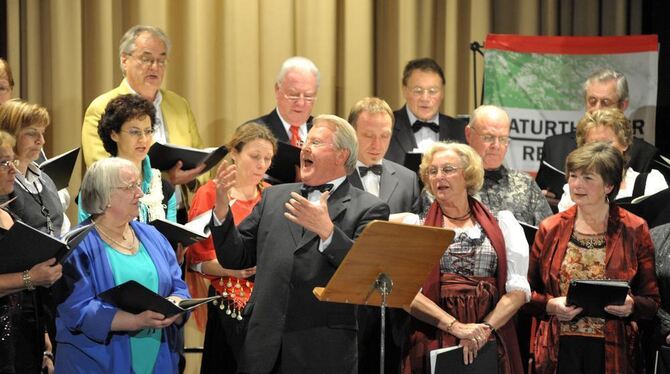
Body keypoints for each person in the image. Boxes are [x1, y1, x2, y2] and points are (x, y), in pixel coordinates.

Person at [211, 114, 390, 373]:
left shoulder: (369, 208)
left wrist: (327, 232)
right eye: (306, 141)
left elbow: (366, 274)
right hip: (262, 348)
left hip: (322, 351)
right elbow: (235, 258)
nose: (305, 147)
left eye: (315, 143)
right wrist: (221, 210)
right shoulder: (274, 196)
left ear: (342, 155)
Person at [526, 142, 660, 373]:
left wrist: (631, 305)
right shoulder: (551, 228)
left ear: (609, 185)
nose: (577, 184)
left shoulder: (634, 228)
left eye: (588, 177)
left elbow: (651, 301)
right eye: (574, 176)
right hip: (559, 349)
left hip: (612, 350)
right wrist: (549, 305)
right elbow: (527, 294)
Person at [400, 142, 529, 374]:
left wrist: (483, 330)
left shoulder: (502, 224)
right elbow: (407, 295)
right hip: (435, 334)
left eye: (448, 169)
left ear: (467, 174)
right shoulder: (416, 227)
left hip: (491, 333)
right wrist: (457, 328)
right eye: (433, 171)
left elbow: (518, 291)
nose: (439, 177)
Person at [54, 157, 189, 373]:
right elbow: (76, 308)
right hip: (96, 362)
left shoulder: (152, 235)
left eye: (138, 184)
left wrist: (175, 303)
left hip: (158, 357)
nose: (140, 193)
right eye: (130, 187)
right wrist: (135, 321)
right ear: (105, 196)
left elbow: (178, 284)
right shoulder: (75, 245)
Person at [185, 122, 276, 373]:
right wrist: (232, 270)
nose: (262, 164)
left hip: (266, 304)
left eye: (268, 158)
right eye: (255, 156)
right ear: (234, 153)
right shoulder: (210, 193)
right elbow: (195, 260)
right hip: (228, 303)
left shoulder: (270, 194)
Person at [346, 96, 420, 373]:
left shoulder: (407, 178)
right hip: (348, 296)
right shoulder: (335, 175)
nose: (377, 144)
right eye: (368, 135)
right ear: (352, 132)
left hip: (392, 298)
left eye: (384, 135)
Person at [81, 25, 205, 189]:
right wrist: (166, 178)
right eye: (147, 59)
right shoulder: (102, 107)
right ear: (124, 60)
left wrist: (192, 177)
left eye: (161, 60)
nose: (155, 67)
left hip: (181, 209)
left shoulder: (179, 105)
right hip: (130, 208)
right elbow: (103, 172)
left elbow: (201, 159)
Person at [536, 68, 659, 203]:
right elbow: (541, 191)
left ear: (623, 105)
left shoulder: (644, 155)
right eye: (592, 101)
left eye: (605, 102)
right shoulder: (554, 145)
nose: (597, 108)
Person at [0, 130, 62, 374]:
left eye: (12, 161)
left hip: (25, 330)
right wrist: (31, 278)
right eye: (4, 162)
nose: (13, 170)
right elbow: (26, 276)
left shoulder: (8, 213)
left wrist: (44, 335)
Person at [78, 94, 177, 223]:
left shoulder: (164, 188)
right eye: (135, 132)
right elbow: (86, 237)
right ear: (114, 134)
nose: (143, 139)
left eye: (148, 131)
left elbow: (170, 240)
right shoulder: (97, 185)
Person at [557, 108, 667, 211]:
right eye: (593, 144)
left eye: (607, 143)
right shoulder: (574, 189)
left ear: (625, 143)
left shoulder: (651, 183)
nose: (601, 150)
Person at [466, 105, 552, 225]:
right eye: (488, 137)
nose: (496, 145)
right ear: (469, 134)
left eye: (502, 139)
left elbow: (548, 234)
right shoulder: (453, 181)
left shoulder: (525, 184)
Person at [385, 58, 466, 165]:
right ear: (404, 90)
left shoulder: (460, 130)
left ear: (442, 93)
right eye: (418, 91)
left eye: (432, 91)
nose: (425, 98)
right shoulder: (387, 126)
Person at [246, 56, 319, 147]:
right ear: (277, 89)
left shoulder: (323, 132)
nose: (301, 103)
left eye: (308, 96)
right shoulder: (252, 133)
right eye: (294, 95)